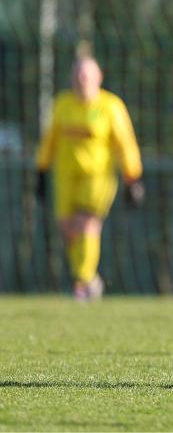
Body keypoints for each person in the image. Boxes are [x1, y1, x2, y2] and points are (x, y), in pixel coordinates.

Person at [35, 54, 145, 300]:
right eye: (77, 74)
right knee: (68, 228)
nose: (81, 79)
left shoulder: (110, 106)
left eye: (86, 74)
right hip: (65, 176)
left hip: (97, 177)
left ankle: (82, 283)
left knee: (87, 223)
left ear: (99, 77)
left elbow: (125, 143)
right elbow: (50, 139)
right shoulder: (63, 104)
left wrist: (132, 177)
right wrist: (41, 170)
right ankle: (90, 280)